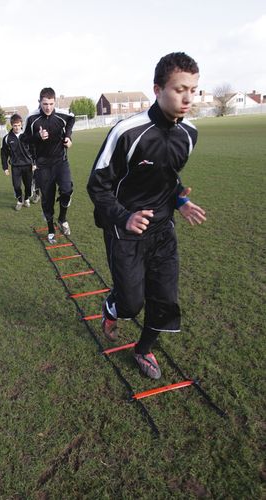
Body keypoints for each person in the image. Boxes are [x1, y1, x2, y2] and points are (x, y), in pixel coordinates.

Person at [87, 52, 206, 380]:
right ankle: (113, 307)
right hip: (123, 230)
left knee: (165, 299)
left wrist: (180, 200)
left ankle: (144, 349)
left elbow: (169, 176)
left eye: (193, 90)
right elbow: (97, 186)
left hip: (162, 230)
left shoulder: (189, 135)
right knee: (130, 305)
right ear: (157, 89)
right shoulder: (128, 131)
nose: (187, 98)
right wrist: (124, 216)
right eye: (180, 89)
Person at [21, 87, 75, 243]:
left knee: (67, 190)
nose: (48, 107)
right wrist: (37, 136)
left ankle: (62, 219)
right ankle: (51, 229)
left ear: (55, 101)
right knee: (48, 200)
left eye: (51, 103)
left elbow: (72, 119)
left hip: (60, 161)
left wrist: (68, 136)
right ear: (39, 102)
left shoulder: (62, 114)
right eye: (45, 104)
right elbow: (24, 139)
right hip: (43, 165)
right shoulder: (32, 118)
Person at [0, 113, 34, 211]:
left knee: (28, 185)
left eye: (19, 125)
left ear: (21, 124)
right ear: (11, 125)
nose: (17, 127)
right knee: (16, 186)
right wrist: (5, 167)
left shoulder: (27, 136)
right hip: (15, 166)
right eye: (15, 125)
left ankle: (26, 198)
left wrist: (34, 163)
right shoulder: (7, 138)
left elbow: (33, 149)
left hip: (28, 165)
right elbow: (3, 154)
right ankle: (19, 200)